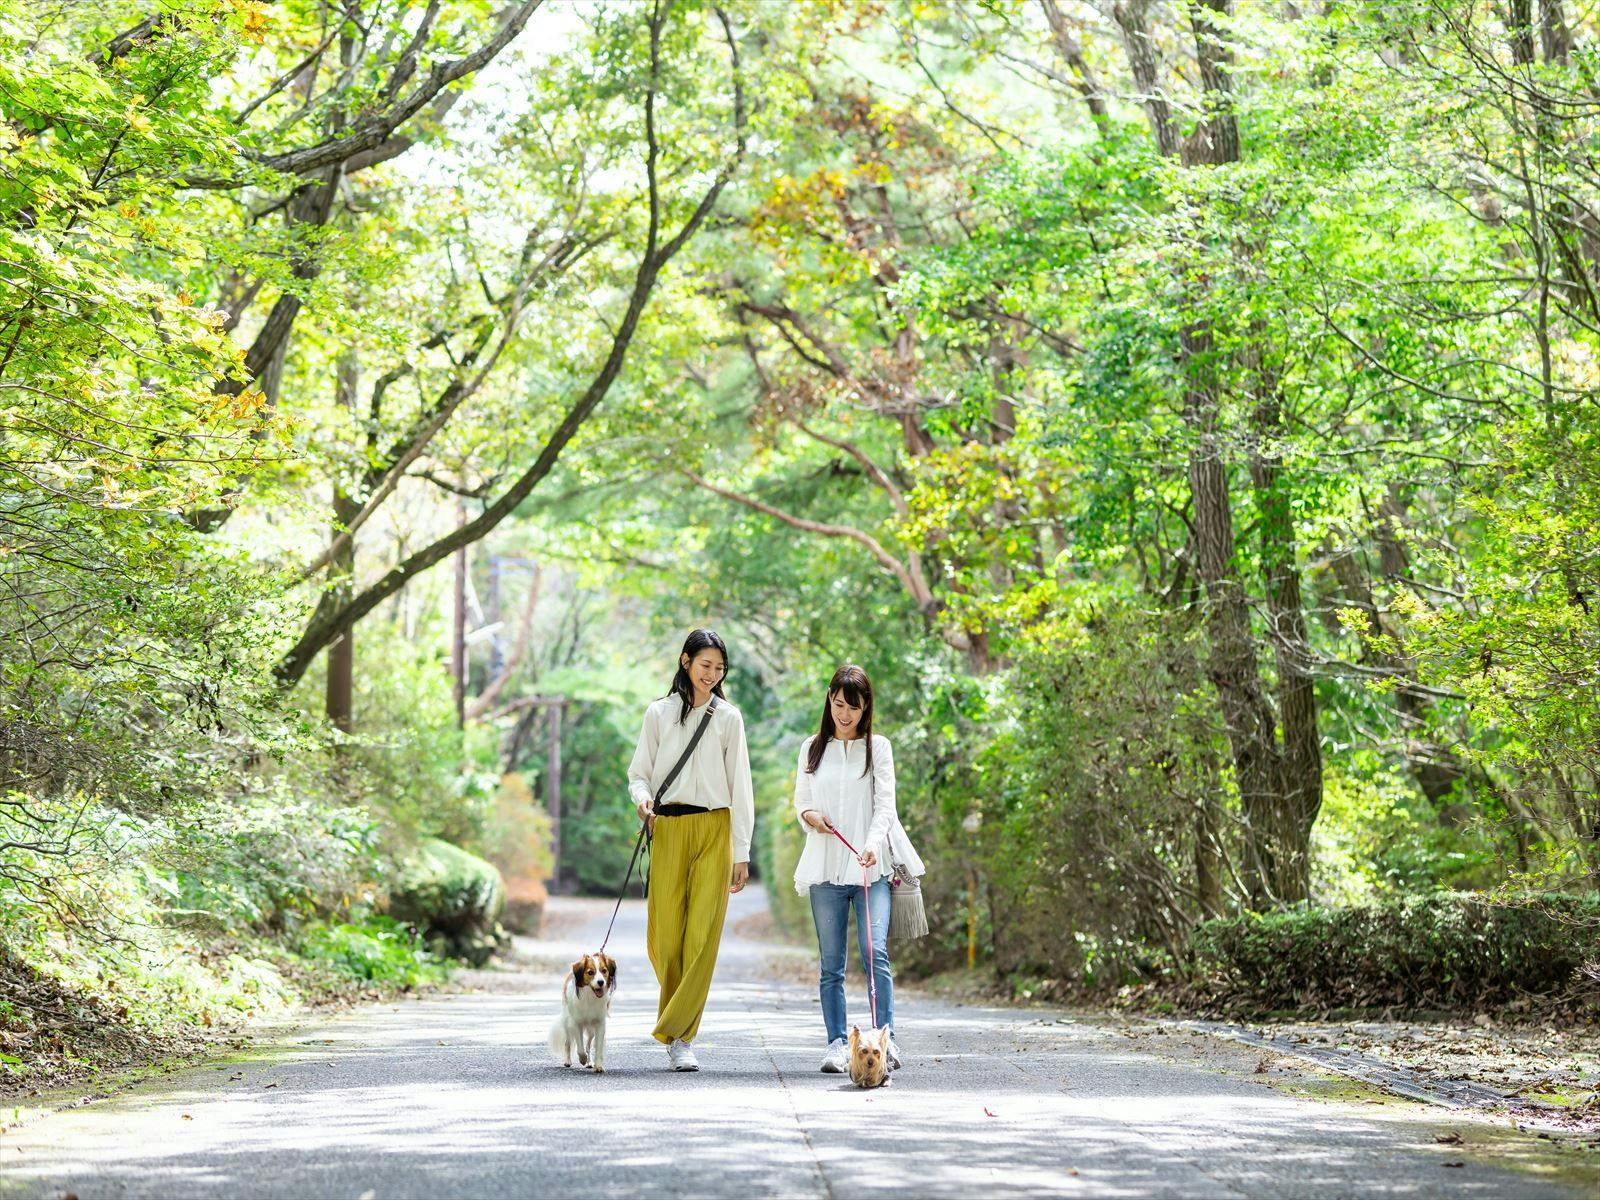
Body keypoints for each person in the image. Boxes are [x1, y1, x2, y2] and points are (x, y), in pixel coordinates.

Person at [627, 629, 754, 1071]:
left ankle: (680, 1036)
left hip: (715, 828)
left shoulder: (729, 718)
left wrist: (741, 850)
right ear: (686, 661)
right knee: (666, 937)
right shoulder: (658, 713)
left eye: (719, 668)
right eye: (705, 665)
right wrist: (642, 799)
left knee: (702, 935)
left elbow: (741, 786)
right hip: (667, 828)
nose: (712, 674)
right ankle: (676, 1023)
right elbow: (639, 773)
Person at [792, 663, 916, 1074]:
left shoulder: (878, 748)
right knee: (831, 964)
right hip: (825, 867)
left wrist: (872, 843)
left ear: (866, 708)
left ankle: (885, 1041)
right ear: (829, 701)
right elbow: (802, 802)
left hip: (869, 867)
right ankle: (836, 1043)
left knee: (875, 952)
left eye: (854, 707)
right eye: (839, 704)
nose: (845, 714)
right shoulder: (812, 748)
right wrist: (812, 818)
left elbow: (885, 807)